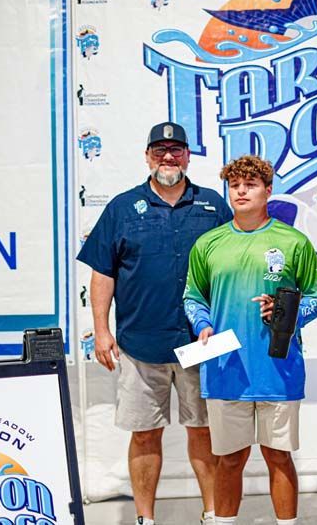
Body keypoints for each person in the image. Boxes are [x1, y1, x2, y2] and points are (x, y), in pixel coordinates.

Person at [77, 121, 232, 525]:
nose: (168, 157)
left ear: (188, 156)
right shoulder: (123, 208)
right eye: (160, 150)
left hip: (201, 341)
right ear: (147, 155)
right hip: (139, 343)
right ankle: (145, 519)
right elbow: (103, 272)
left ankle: (214, 514)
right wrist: (102, 329)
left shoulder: (214, 205)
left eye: (176, 149)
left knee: (204, 432)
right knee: (144, 434)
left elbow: (234, 267)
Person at [182, 155, 317, 525]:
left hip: (277, 368)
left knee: (278, 456)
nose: (241, 191)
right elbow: (192, 296)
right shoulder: (208, 244)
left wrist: (286, 314)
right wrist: (202, 324)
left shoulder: (293, 242)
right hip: (225, 369)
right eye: (235, 185)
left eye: (250, 184)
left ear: (268, 190)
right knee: (229, 459)